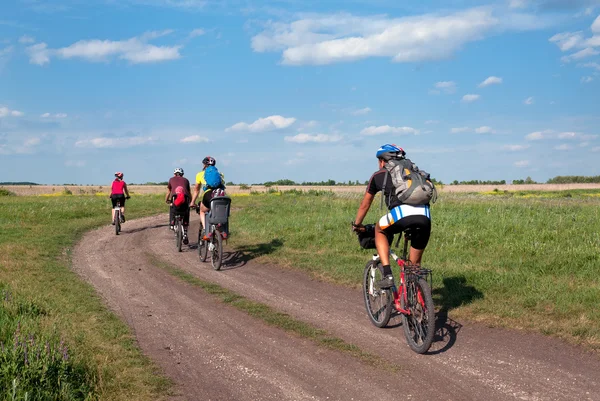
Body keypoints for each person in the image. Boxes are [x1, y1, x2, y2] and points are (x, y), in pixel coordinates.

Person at [352, 144, 432, 289]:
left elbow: (365, 204)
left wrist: (357, 224)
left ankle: (388, 275)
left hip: (401, 215)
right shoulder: (415, 172)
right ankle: (419, 303)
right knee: (414, 267)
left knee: (379, 229)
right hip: (425, 218)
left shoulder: (379, 175)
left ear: (383, 161)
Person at [190, 156, 226, 240]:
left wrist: (192, 202)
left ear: (204, 164)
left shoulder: (200, 174)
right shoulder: (220, 174)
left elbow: (196, 190)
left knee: (202, 211)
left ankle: (207, 231)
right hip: (221, 195)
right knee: (222, 212)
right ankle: (222, 231)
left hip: (208, 195)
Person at [166, 167, 192, 245]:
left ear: (174, 174)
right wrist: (191, 201)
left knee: (172, 207)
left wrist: (166, 200)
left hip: (175, 198)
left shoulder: (171, 179)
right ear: (182, 174)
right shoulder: (186, 180)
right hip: (185, 199)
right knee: (186, 212)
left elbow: (169, 192)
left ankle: (172, 222)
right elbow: (189, 192)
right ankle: (185, 233)